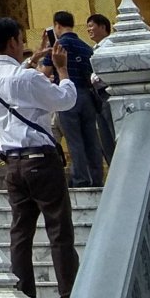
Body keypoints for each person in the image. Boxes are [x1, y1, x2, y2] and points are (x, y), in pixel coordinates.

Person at [0, 16, 80, 298]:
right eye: (21, 40)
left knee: (20, 235)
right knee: (59, 232)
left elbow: (15, 82)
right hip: (41, 160)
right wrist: (62, 69)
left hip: (13, 165)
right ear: (12, 41)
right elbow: (65, 100)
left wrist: (32, 59)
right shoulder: (29, 78)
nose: (23, 45)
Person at [44, 11, 103, 188]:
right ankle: (97, 177)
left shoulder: (58, 46)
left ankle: (81, 179)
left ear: (57, 25)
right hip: (87, 95)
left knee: (74, 140)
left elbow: (45, 72)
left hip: (68, 96)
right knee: (91, 138)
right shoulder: (86, 47)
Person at [84, 12, 116, 163]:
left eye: (91, 26)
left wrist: (93, 78)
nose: (89, 30)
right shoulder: (95, 49)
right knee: (105, 136)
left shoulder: (110, 45)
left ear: (103, 27)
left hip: (109, 92)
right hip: (98, 96)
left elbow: (106, 72)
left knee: (112, 132)